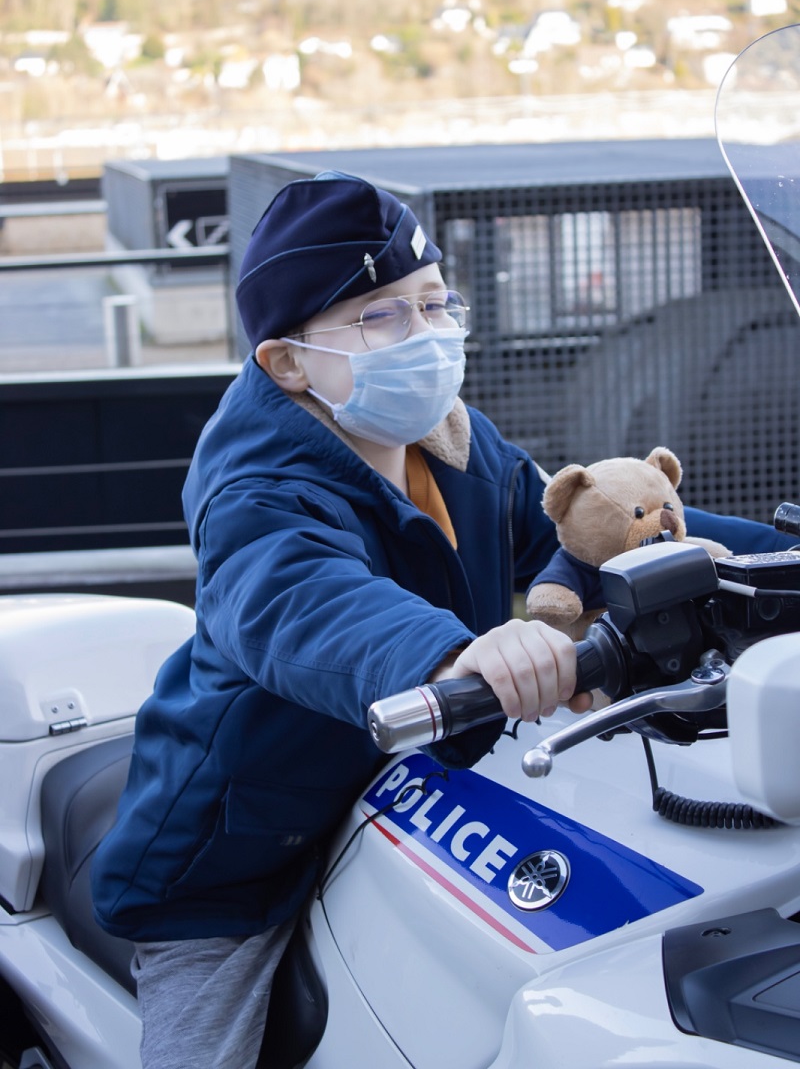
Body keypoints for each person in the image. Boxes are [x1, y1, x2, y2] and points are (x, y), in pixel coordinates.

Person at [91, 171, 794, 1069]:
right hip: (237, 851)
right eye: (379, 317)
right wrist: (460, 651)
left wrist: (762, 563)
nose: (422, 336)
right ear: (287, 362)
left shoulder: (452, 437)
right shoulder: (254, 492)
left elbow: (584, 531)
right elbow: (299, 599)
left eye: (432, 304)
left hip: (407, 787)